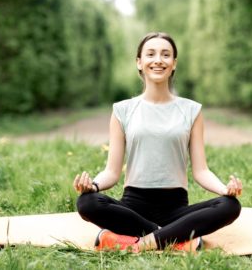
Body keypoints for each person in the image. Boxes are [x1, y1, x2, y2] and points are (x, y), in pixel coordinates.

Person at [73, 32, 242, 253]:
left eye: (166, 55)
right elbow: (112, 172)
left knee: (230, 206)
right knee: (87, 203)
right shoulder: (122, 110)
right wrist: (92, 186)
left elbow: (201, 171)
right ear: (139, 63)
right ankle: (174, 237)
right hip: (133, 207)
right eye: (150, 54)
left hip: (176, 207)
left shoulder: (192, 110)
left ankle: (143, 240)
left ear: (174, 64)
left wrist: (225, 190)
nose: (158, 60)